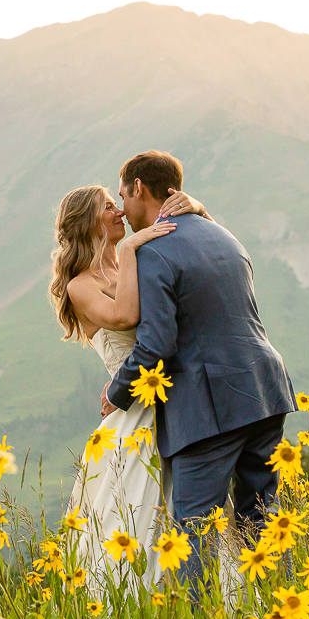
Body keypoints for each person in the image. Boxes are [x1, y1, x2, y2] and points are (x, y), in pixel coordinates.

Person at [102, 150, 296, 589]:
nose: (124, 206)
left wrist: (116, 392)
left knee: (194, 530)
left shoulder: (153, 250)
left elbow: (156, 344)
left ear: (139, 189)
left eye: (122, 194)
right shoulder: (224, 236)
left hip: (210, 407)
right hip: (265, 389)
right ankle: (286, 617)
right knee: (262, 519)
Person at [50, 181, 216, 588]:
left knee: (194, 510)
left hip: (175, 399)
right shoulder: (80, 285)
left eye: (117, 202)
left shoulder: (137, 260)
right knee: (137, 514)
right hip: (134, 411)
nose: (119, 212)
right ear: (88, 221)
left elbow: (203, 256)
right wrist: (128, 250)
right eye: (108, 207)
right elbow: (125, 318)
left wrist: (197, 207)